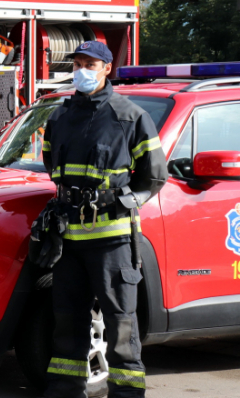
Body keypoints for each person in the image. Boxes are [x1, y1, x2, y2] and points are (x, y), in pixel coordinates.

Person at [40, 41, 168, 398]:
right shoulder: (59, 117)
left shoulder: (130, 116)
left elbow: (155, 176)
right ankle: (64, 391)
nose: (82, 69)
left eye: (90, 63)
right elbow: (53, 167)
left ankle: (127, 395)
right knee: (67, 324)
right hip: (68, 243)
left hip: (113, 241)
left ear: (107, 68)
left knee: (121, 326)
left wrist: (126, 200)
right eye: (78, 63)